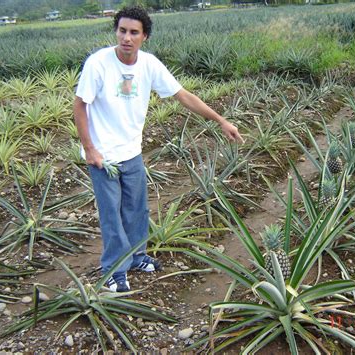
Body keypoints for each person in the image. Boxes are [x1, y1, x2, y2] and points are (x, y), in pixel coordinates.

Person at [73, 6, 243, 292]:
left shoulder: (149, 65)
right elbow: (80, 105)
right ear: (116, 32)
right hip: (103, 157)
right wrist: (89, 149)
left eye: (134, 32)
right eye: (122, 31)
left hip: (131, 152)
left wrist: (220, 120)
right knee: (112, 215)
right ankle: (114, 271)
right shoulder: (98, 63)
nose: (127, 37)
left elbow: (183, 95)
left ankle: (137, 257)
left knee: (137, 210)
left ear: (145, 36)